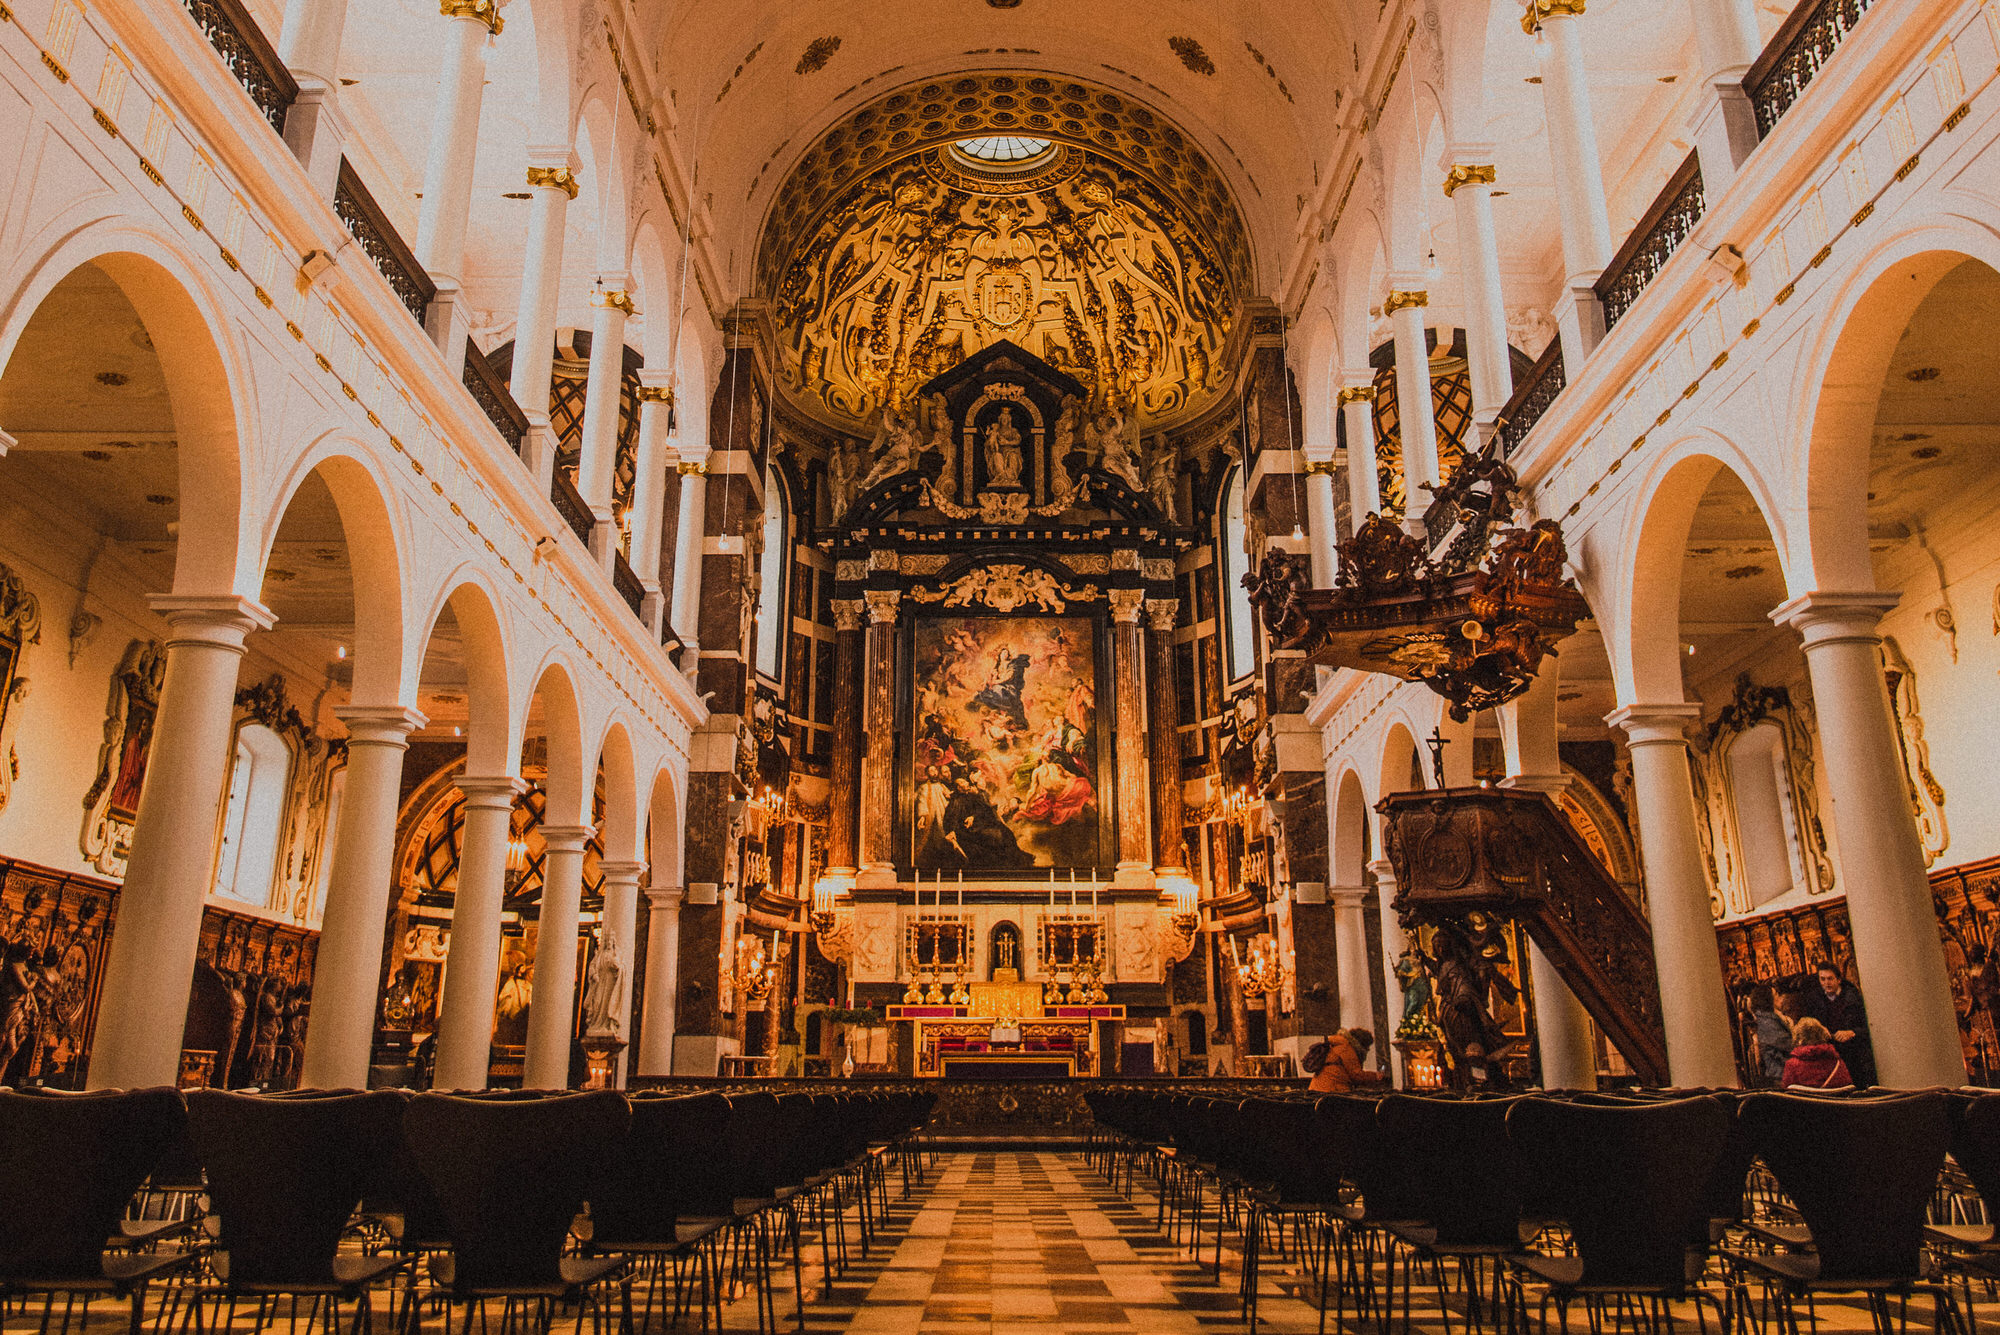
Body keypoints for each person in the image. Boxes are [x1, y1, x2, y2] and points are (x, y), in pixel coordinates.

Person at [1800, 962, 1875, 1086]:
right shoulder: (1814, 1000)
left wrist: (1852, 1032)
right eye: (1822, 979)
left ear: (1839, 980)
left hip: (1854, 1054)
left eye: (1830, 979)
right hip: (1830, 1055)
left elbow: (1869, 1027)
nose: (1826, 983)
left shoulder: (1852, 998)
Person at [1780, 1017, 1853, 1088]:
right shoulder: (1836, 1061)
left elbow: (1786, 1090)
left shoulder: (1792, 1065)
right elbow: (1846, 1085)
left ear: (1797, 1038)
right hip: (1831, 1099)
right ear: (1822, 1034)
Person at [1308, 1028, 1387, 1094]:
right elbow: (1356, 1075)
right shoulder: (1347, 1049)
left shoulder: (1336, 1046)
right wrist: (1375, 1076)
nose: (1368, 1049)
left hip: (1318, 1089)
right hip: (1332, 1091)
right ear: (1362, 1044)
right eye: (1367, 1046)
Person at [1749, 984, 1793, 1086]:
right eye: (1775, 994)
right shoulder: (1767, 1022)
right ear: (1768, 999)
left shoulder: (1768, 1017)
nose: (1778, 996)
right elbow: (1788, 1045)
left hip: (1781, 1067)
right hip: (1779, 1073)